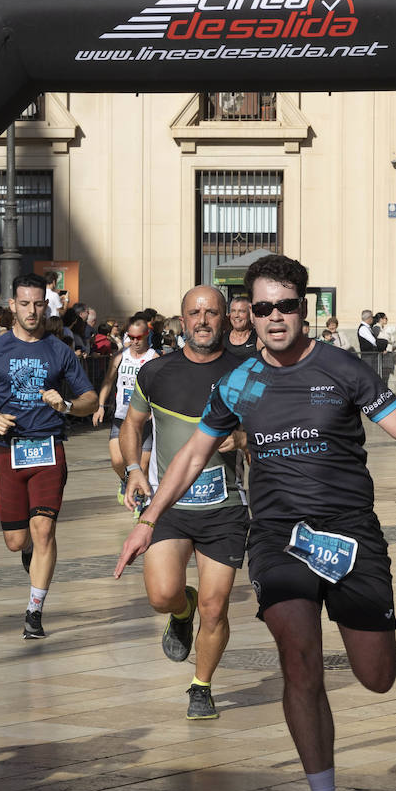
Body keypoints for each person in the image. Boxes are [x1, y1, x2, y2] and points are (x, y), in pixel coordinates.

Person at [116, 253, 396, 791]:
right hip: (278, 537)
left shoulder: (344, 368)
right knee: (298, 656)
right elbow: (194, 454)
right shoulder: (243, 380)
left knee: (375, 676)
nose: (275, 318)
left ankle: (383, 641)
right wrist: (149, 517)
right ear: (247, 313)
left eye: (287, 306)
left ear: (304, 309)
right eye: (263, 307)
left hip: (351, 534)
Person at [117, 286, 248, 720]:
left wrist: (244, 439)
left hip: (225, 508)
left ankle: (201, 686)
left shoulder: (245, 370)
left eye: (212, 312)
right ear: (182, 319)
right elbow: (132, 424)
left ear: (226, 318)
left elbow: (270, 431)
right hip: (168, 505)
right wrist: (134, 469)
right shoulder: (157, 372)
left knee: (217, 606)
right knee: (161, 595)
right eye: (195, 313)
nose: (204, 320)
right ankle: (181, 609)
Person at [0, 272, 99, 639]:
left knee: (44, 530)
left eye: (38, 303)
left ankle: (34, 612)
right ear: (12, 306)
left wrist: (67, 404)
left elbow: (91, 400)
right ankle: (28, 553)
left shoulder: (58, 350)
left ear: (46, 305)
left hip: (47, 448)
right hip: (8, 451)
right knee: (16, 540)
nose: (31, 310)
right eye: (24, 303)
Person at [93, 318, 159, 493]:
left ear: (147, 335)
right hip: (121, 416)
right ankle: (125, 481)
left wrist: (156, 410)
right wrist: (100, 406)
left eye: (139, 337)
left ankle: (140, 502)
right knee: (117, 461)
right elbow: (108, 381)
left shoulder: (154, 358)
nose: (135, 341)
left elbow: (163, 389)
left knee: (143, 466)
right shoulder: (120, 357)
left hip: (145, 419)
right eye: (131, 337)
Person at [223, 295, 259, 360]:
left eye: (241, 311)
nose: (236, 315)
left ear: (250, 314)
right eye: (233, 311)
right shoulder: (222, 338)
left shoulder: (258, 337)